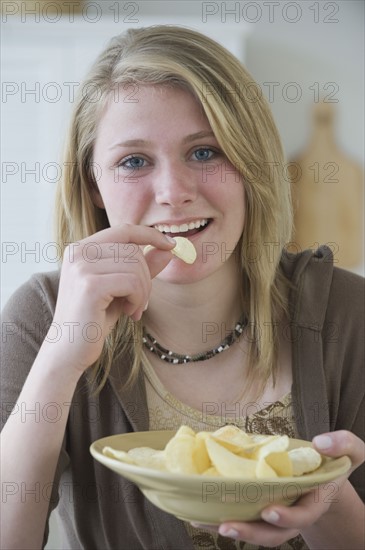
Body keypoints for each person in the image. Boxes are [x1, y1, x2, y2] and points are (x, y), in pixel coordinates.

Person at [1, 25, 364, 550]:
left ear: (251, 163)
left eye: (204, 153)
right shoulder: (41, 316)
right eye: (133, 161)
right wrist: (60, 362)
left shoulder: (348, 316)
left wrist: (326, 501)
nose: (173, 193)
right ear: (92, 185)